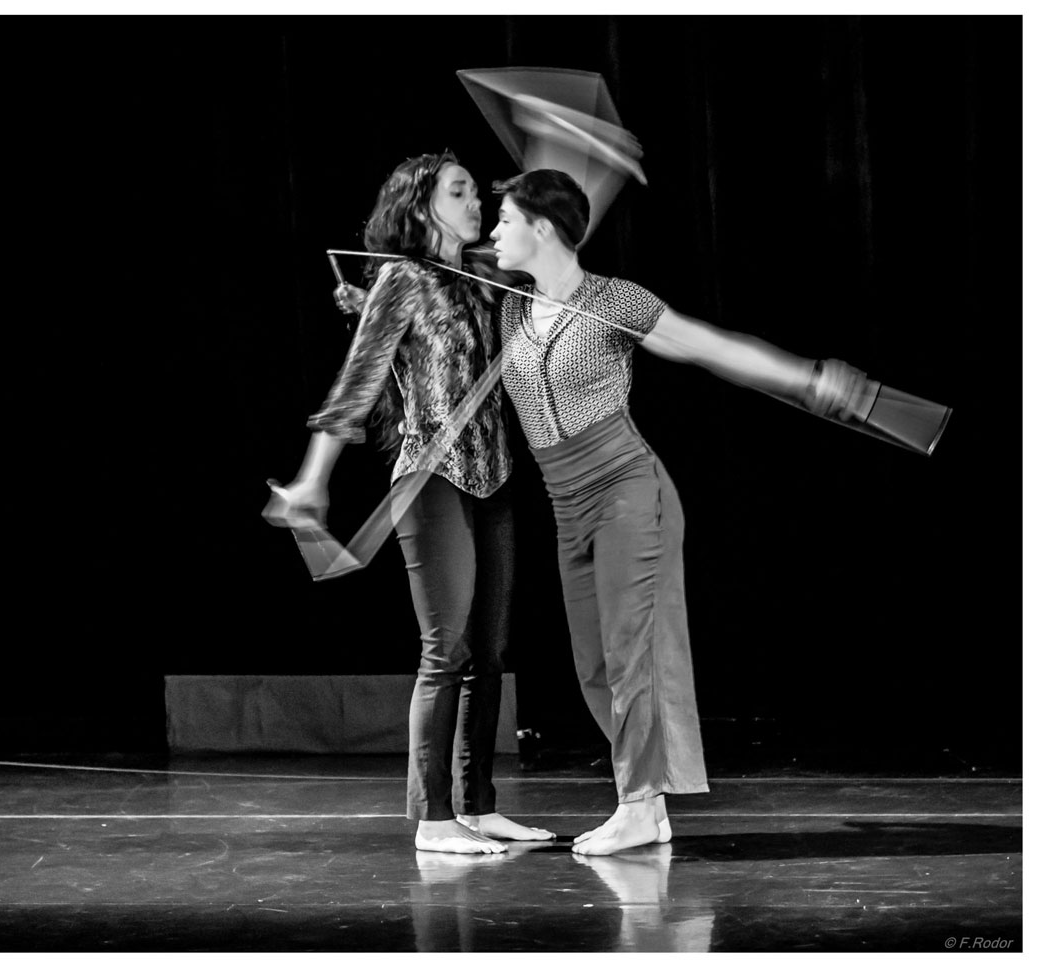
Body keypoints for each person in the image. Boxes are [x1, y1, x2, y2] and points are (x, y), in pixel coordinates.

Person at [487, 168, 869, 855]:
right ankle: (649, 804)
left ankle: (637, 804)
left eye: (506, 220)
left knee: (635, 653)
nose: (493, 233)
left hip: (627, 489)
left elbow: (709, 346)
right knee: (593, 664)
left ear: (541, 229)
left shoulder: (615, 301)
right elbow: (434, 263)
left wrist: (807, 381)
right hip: (563, 499)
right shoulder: (508, 304)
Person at [263, 151, 554, 854]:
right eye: (459, 192)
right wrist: (313, 480)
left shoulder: (482, 278)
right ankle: (434, 818)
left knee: (491, 650)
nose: (476, 202)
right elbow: (357, 383)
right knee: (445, 649)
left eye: (475, 192)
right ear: (422, 205)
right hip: (431, 475)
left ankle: (479, 804)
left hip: (494, 472)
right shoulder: (402, 279)